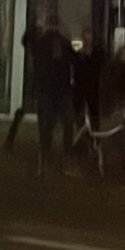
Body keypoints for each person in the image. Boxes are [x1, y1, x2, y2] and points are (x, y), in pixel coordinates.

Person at [21, 9, 75, 174]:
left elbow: (74, 61)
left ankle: (54, 157)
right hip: (50, 90)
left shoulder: (60, 42)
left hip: (56, 90)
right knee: (51, 125)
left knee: (58, 123)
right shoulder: (45, 41)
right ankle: (49, 157)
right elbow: (26, 40)